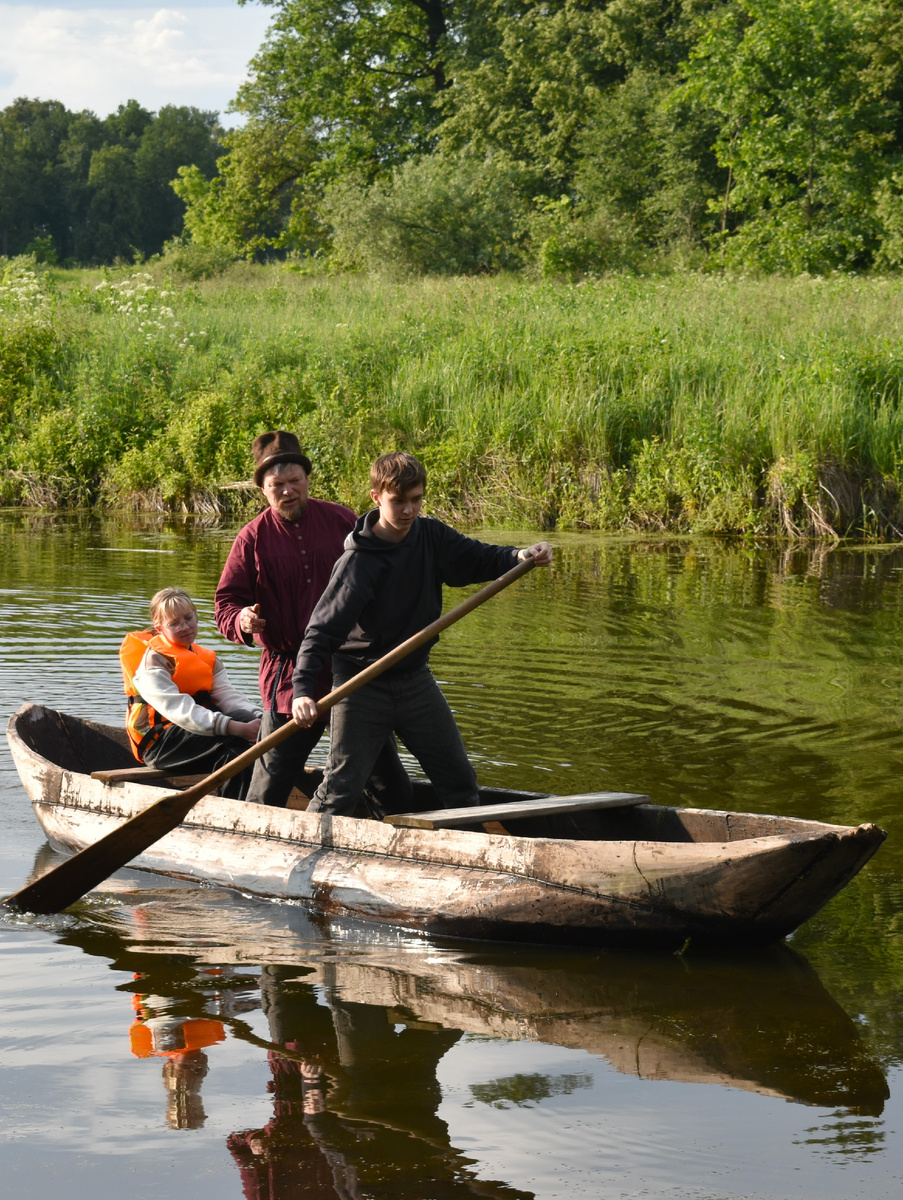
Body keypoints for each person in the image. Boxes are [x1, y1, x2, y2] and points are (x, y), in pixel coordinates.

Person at [291, 452, 553, 817]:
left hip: (415, 681)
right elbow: (320, 631)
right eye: (398, 501)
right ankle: (300, 852)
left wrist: (520, 555)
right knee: (341, 787)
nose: (409, 510)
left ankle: (471, 851)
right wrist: (302, 692)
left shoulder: (431, 536)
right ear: (376, 497)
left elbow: (477, 557)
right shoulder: (358, 563)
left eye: (416, 500)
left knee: (459, 780)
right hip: (361, 683)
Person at [215, 430, 406, 809]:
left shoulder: (341, 521)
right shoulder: (251, 539)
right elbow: (226, 606)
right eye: (277, 485)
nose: (287, 491)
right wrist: (242, 621)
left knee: (389, 785)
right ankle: (251, 841)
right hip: (288, 680)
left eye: (294, 481)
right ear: (263, 490)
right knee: (270, 786)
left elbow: (381, 577)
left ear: (307, 479)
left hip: (350, 671)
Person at [119, 587, 262, 800]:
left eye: (188, 618)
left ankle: (242, 804)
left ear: (196, 615)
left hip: (200, 735)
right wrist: (237, 728)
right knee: (236, 742)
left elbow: (228, 697)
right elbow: (181, 711)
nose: (184, 626)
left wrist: (263, 719)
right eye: (174, 623)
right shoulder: (152, 663)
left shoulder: (207, 659)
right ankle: (236, 810)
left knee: (247, 728)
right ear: (159, 628)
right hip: (162, 744)